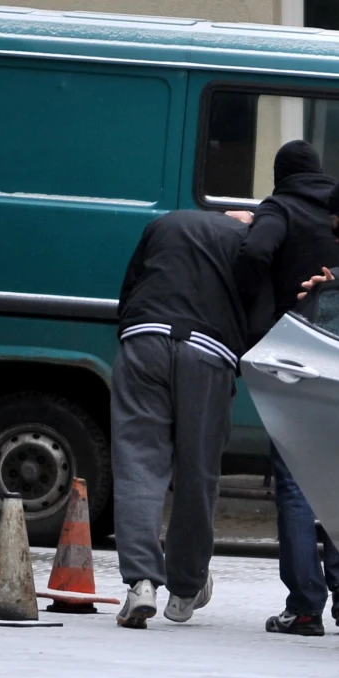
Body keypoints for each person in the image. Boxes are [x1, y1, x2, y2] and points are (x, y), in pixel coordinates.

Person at [112, 209, 268, 629]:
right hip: (208, 352)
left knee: (138, 463)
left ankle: (141, 582)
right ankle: (185, 590)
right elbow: (258, 310)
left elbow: (129, 288)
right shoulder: (249, 242)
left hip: (143, 339)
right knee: (198, 470)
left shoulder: (165, 223)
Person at [238, 140, 339, 637]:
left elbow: (254, 251)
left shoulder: (280, 207)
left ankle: (305, 605)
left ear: (280, 175)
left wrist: (262, 309)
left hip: (296, 355)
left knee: (295, 481)